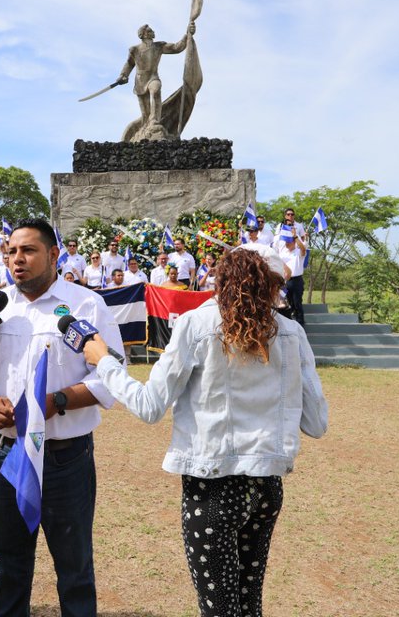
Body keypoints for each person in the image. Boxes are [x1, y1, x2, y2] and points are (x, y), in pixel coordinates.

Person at [82, 250, 328, 617]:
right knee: (248, 604)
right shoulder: (291, 333)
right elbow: (316, 423)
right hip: (266, 488)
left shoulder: (197, 325)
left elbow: (149, 406)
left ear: (222, 279)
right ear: (274, 286)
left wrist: (103, 360)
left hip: (212, 489)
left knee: (220, 609)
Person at [0, 218, 124, 617]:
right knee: (10, 560)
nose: (17, 259)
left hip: (65, 456)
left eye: (27, 251)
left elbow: (110, 376)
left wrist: (57, 400)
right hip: (6, 452)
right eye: (11, 251)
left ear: (53, 255)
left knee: (74, 564)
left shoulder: (85, 305)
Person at [114, 22, 196, 133]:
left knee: (156, 90)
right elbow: (129, 64)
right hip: (140, 82)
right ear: (143, 35)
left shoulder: (159, 46)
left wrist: (187, 34)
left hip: (153, 77)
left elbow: (177, 47)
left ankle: (155, 121)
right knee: (145, 113)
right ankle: (146, 127)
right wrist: (123, 75)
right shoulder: (135, 50)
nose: (153, 32)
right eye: (150, 31)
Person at [276, 226, 308, 327]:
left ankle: (300, 323)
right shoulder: (282, 253)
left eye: (289, 241)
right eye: (285, 242)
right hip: (285, 282)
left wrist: (295, 236)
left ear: (293, 242)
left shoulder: (298, 252)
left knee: (297, 302)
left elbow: (303, 248)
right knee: (286, 303)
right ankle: (289, 324)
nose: (286, 243)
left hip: (296, 281)